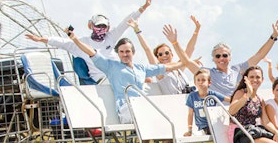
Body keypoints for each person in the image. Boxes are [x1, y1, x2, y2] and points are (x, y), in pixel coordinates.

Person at [36, 29, 184, 125]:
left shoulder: (141, 69)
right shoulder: (111, 66)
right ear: (118, 53)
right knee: (148, 110)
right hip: (127, 109)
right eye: (121, 52)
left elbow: (167, 66)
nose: (125, 54)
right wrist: (75, 39)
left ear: (133, 52)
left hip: (142, 108)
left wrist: (187, 63)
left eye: (127, 51)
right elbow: (91, 51)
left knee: (162, 114)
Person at [26, 0, 154, 83]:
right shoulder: (82, 43)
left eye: (104, 27)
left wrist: (145, 6)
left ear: (108, 28)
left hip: (118, 74)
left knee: (147, 79)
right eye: (98, 26)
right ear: (90, 26)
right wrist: (40, 39)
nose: (101, 30)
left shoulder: (111, 37)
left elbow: (126, 22)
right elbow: (61, 42)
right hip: (102, 80)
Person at [129, 15, 200, 96]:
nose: (164, 56)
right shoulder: (159, 71)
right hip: (173, 104)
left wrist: (197, 30)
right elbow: (147, 49)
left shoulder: (179, 67)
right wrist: (137, 30)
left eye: (166, 53)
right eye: (160, 54)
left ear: (172, 54)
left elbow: (189, 50)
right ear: (157, 58)